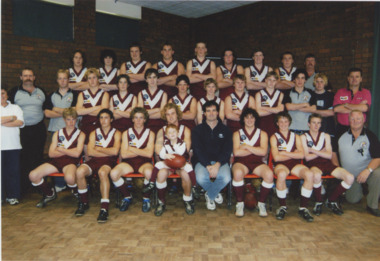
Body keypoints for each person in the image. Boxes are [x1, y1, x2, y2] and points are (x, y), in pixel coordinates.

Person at [29, 108, 85, 208]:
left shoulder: (81, 134)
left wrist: (61, 149)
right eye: (68, 119)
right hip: (56, 162)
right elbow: (51, 154)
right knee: (33, 175)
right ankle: (49, 194)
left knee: (70, 178)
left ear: (76, 119)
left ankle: (77, 192)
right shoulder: (57, 133)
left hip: (71, 162)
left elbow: (77, 154)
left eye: (73, 119)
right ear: (64, 119)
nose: (71, 122)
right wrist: (70, 151)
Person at [301, 113, 354, 216]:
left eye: (319, 123)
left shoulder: (325, 136)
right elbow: (307, 157)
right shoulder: (304, 137)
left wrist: (312, 150)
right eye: (313, 123)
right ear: (308, 124)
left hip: (327, 163)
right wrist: (322, 151)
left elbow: (329, 156)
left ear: (321, 125)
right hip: (313, 165)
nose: (316, 125)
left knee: (350, 177)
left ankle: (331, 200)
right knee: (316, 176)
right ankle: (318, 202)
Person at [75, 109, 121, 223]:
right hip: (94, 160)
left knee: (102, 173)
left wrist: (99, 148)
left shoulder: (117, 133)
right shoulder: (94, 133)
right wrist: (106, 150)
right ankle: (84, 202)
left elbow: (115, 152)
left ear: (111, 119)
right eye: (101, 118)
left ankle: (104, 208)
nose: (103, 120)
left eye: (106, 117)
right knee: (79, 171)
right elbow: (90, 152)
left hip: (109, 161)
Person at [152, 103, 198, 214]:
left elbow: (186, 148)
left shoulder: (185, 130)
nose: (171, 117)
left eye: (173, 113)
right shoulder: (161, 131)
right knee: (161, 174)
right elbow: (158, 149)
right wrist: (167, 157)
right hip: (167, 162)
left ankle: (188, 199)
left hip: (181, 162)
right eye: (167, 115)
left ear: (177, 114)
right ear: (165, 116)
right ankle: (161, 202)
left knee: (186, 175)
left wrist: (174, 158)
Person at [8, 68, 47, 194]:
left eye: (30, 75)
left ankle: (39, 185)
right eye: (25, 76)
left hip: (38, 129)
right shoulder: (14, 92)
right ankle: (24, 186)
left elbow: (46, 109)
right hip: (22, 130)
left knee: (38, 156)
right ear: (21, 77)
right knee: (23, 157)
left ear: (34, 77)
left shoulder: (41, 91)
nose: (28, 78)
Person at [270, 112, 315, 222]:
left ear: (289, 122)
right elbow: (276, 158)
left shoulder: (296, 136)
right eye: (281, 121)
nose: (283, 124)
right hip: (281, 165)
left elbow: (301, 155)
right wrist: (292, 153)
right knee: (281, 174)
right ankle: (282, 207)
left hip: (295, 165)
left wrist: (284, 153)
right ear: (277, 123)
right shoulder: (274, 137)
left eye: (286, 121)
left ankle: (303, 208)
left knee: (309, 174)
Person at [336, 110, 380, 217]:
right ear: (348, 120)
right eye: (352, 119)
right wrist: (338, 169)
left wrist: (367, 170)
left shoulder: (371, 136)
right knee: (353, 200)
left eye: (358, 119)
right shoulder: (341, 135)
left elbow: (377, 157)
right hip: (349, 175)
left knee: (378, 174)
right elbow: (333, 153)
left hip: (365, 172)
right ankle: (358, 190)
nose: (355, 121)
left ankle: (372, 205)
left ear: (363, 120)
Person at [110, 107, 155, 213]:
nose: (138, 120)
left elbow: (149, 154)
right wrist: (141, 151)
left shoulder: (150, 133)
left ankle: (146, 198)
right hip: (129, 163)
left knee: (149, 172)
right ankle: (127, 196)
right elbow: (124, 155)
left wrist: (132, 149)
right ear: (132, 119)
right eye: (136, 118)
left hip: (144, 162)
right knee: (113, 173)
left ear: (145, 119)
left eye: (141, 118)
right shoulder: (126, 133)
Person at [232, 108, 274, 217]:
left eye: (252, 117)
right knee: (237, 173)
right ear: (243, 119)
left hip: (257, 163)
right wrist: (255, 149)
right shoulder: (237, 134)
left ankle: (261, 203)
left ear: (255, 119)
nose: (249, 120)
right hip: (241, 162)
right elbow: (236, 153)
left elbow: (263, 152)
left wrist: (246, 147)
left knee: (269, 175)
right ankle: (240, 203)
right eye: (247, 117)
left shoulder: (263, 134)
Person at [192, 100, 232, 210]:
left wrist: (218, 164)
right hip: (202, 162)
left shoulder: (226, 130)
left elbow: (227, 150)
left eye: (214, 110)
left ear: (218, 112)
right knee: (200, 178)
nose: (211, 113)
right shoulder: (197, 130)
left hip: (220, 162)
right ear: (204, 113)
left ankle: (210, 194)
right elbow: (197, 150)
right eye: (208, 111)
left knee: (226, 178)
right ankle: (214, 192)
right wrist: (207, 165)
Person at [44, 69, 78, 192]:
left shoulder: (75, 94)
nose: (63, 81)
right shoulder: (51, 95)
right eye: (60, 78)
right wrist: (66, 112)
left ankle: (71, 182)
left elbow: (75, 111)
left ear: (68, 80)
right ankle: (60, 184)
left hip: (72, 132)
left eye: (65, 78)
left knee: (70, 157)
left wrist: (56, 109)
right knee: (57, 157)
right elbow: (47, 113)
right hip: (56, 130)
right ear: (57, 80)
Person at [1, 88, 24, 205]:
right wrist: (11, 118)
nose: (1, 96)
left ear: (7, 95)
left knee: (13, 172)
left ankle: (12, 196)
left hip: (13, 146)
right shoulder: (13, 113)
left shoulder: (16, 108)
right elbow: (14, 120)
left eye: (3, 93)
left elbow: (20, 123)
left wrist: (1, 122)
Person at [76, 68, 109, 146]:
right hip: (85, 126)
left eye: (94, 77)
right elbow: (78, 112)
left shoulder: (104, 94)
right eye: (89, 78)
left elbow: (103, 112)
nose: (92, 80)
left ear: (98, 79)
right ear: (87, 80)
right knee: (87, 154)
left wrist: (85, 111)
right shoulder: (82, 94)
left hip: (100, 126)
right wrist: (96, 108)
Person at [333, 68, 371, 137]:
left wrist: (345, 105)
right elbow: (336, 109)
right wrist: (358, 106)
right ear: (348, 78)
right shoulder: (340, 92)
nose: (354, 79)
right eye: (351, 76)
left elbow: (364, 108)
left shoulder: (366, 92)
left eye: (357, 76)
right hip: (342, 129)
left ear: (361, 79)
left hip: (359, 129)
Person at [283, 68, 316, 134]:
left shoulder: (311, 92)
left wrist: (295, 107)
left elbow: (313, 109)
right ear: (294, 80)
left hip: (306, 129)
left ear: (305, 80)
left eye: (302, 78)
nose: (300, 80)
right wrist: (305, 105)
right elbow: (288, 107)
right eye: (297, 78)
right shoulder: (288, 92)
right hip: (291, 128)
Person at [137, 68, 167, 134]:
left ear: (157, 79)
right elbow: (140, 113)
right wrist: (156, 110)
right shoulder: (141, 93)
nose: (152, 80)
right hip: (144, 125)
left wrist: (146, 115)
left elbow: (162, 114)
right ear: (146, 80)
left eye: (154, 77)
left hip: (159, 125)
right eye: (149, 77)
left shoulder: (163, 94)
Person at [255, 71, 284, 138]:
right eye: (269, 80)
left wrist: (263, 108)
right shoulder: (259, 94)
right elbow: (258, 113)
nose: (271, 82)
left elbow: (279, 111)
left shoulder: (280, 94)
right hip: (262, 124)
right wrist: (274, 109)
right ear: (265, 80)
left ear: (276, 82)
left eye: (274, 80)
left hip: (275, 125)